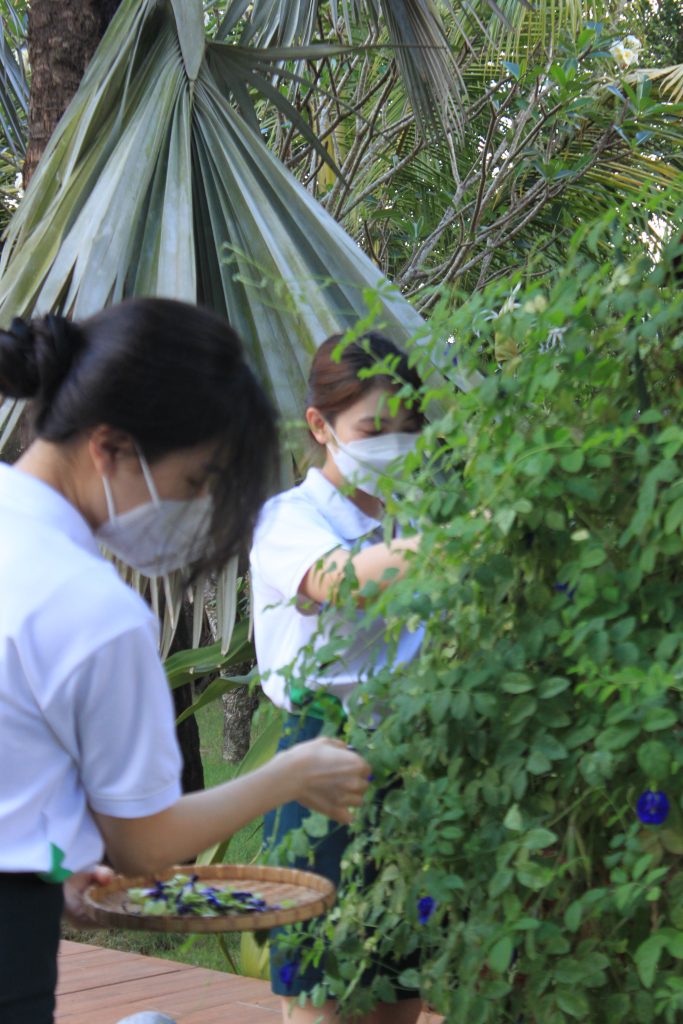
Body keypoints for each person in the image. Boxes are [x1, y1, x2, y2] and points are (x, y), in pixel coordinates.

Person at [0, 300, 370, 1024]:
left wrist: (56, 863)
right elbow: (144, 843)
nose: (196, 507)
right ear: (109, 446)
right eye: (195, 482)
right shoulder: (93, 610)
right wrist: (288, 774)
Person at [249, 333, 425, 1024]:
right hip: (320, 760)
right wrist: (466, 537)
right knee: (320, 990)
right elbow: (335, 580)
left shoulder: (412, 516)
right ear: (319, 427)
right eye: (371, 430)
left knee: (398, 989)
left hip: (410, 758)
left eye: (405, 429)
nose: (390, 445)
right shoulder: (287, 520)